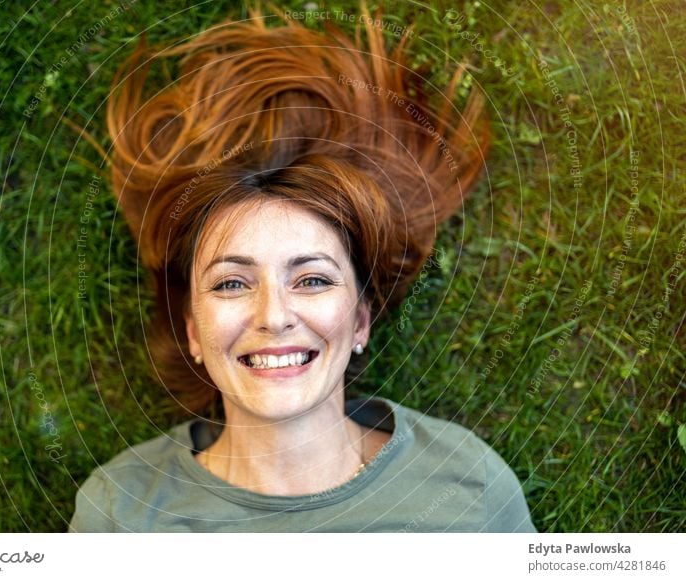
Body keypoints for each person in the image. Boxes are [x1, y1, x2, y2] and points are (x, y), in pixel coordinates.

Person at [69, 2, 536, 532]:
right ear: (194, 332)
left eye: (311, 279)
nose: (274, 315)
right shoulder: (121, 510)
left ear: (360, 320)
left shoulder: (466, 487)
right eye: (232, 283)